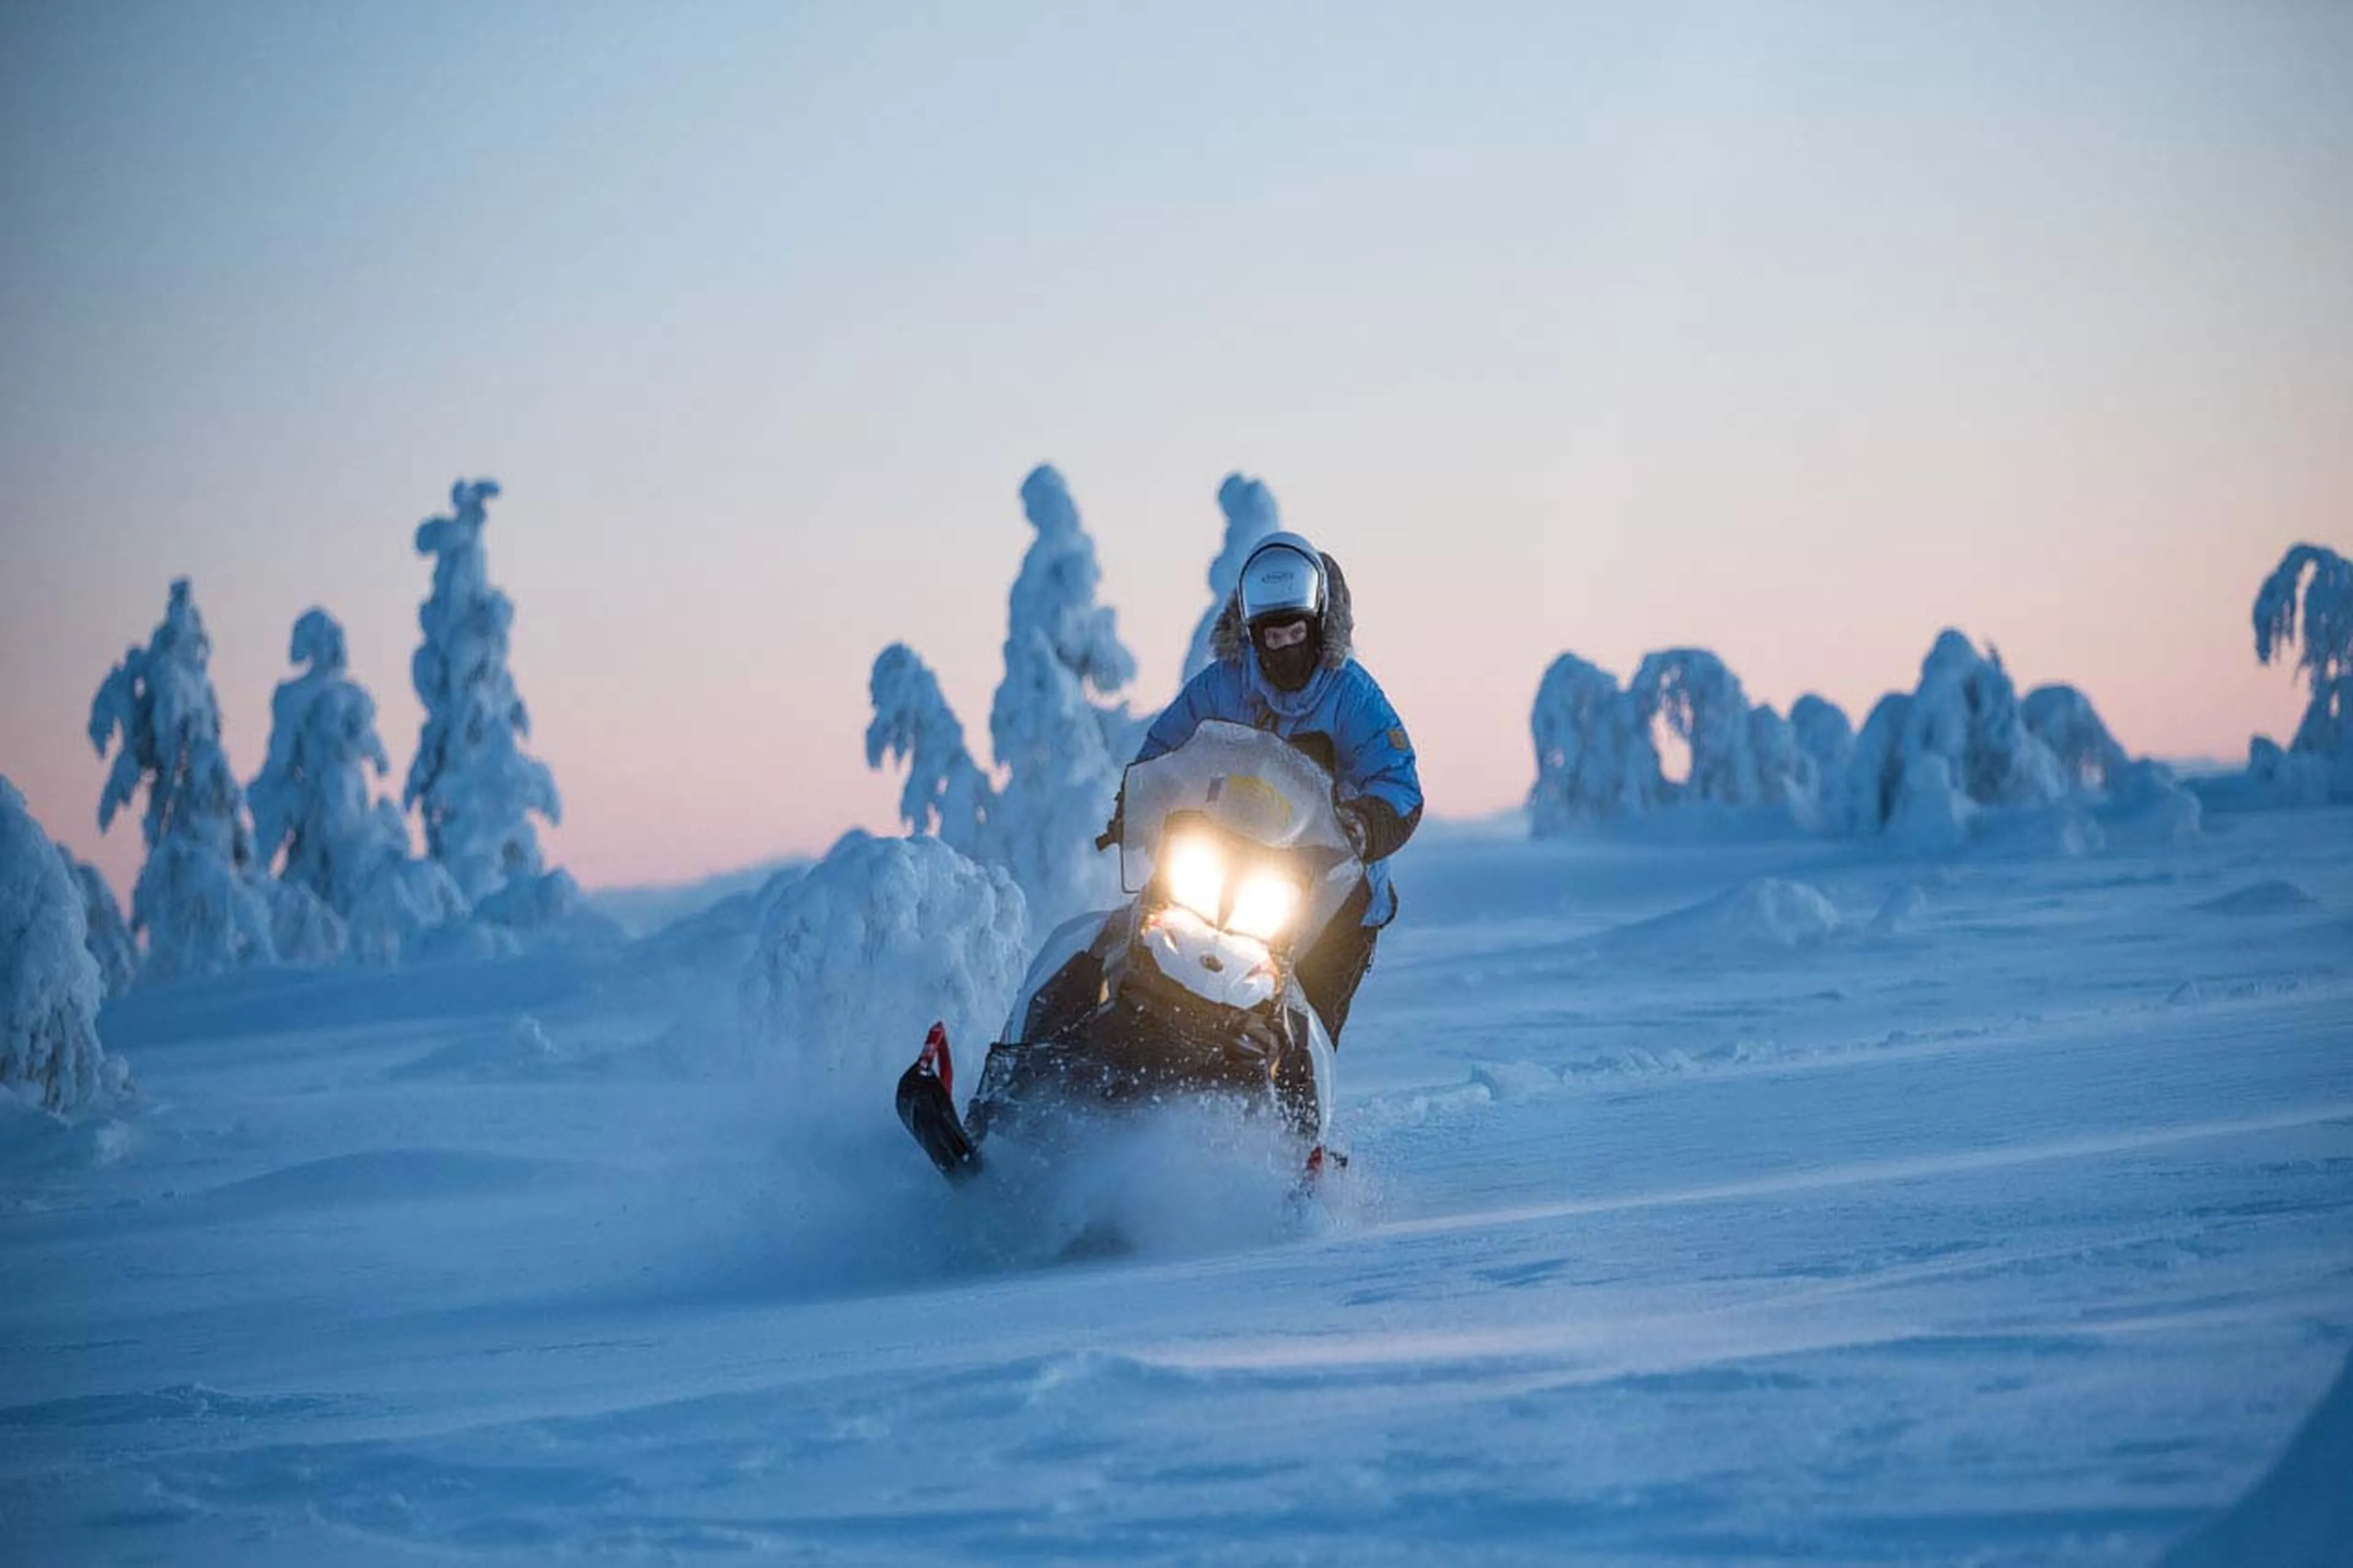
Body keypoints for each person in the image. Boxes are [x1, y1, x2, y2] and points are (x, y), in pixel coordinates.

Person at [1123, 531, 1422, 1042]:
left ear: (1317, 626)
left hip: (1327, 887)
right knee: (1140, 940)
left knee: (1306, 1018)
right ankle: (1081, 1050)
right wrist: (1137, 801)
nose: (1284, 648)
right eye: (1272, 638)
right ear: (1252, 634)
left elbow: (1398, 782)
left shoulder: (1351, 695)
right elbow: (1164, 747)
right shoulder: (1224, 684)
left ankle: (1293, 1113)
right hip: (1223, 862)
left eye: (1295, 635)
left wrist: (1366, 822)